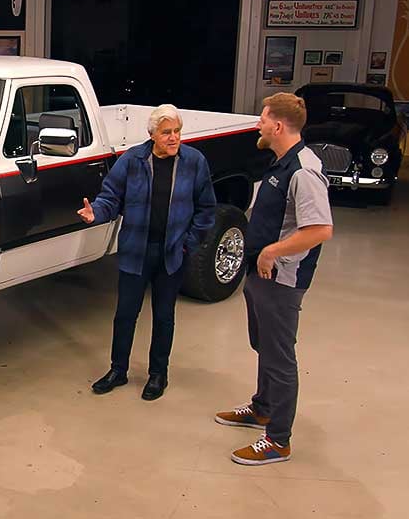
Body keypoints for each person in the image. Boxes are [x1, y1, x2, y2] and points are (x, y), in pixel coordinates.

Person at [214, 92, 333, 465]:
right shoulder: (281, 163)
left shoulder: (303, 171)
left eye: (263, 119)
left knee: (280, 358)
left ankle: (278, 439)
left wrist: (271, 252)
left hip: (281, 279)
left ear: (278, 126)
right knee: (264, 346)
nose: (258, 124)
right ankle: (262, 407)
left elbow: (320, 230)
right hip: (261, 275)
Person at [78, 104, 216, 400]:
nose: (173, 137)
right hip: (135, 252)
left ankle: (158, 374)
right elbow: (110, 197)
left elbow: (206, 210)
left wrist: (187, 244)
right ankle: (118, 370)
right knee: (125, 314)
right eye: (167, 132)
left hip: (172, 255)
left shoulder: (194, 162)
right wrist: (96, 214)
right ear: (152, 134)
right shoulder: (132, 160)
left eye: (177, 131)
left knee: (164, 316)